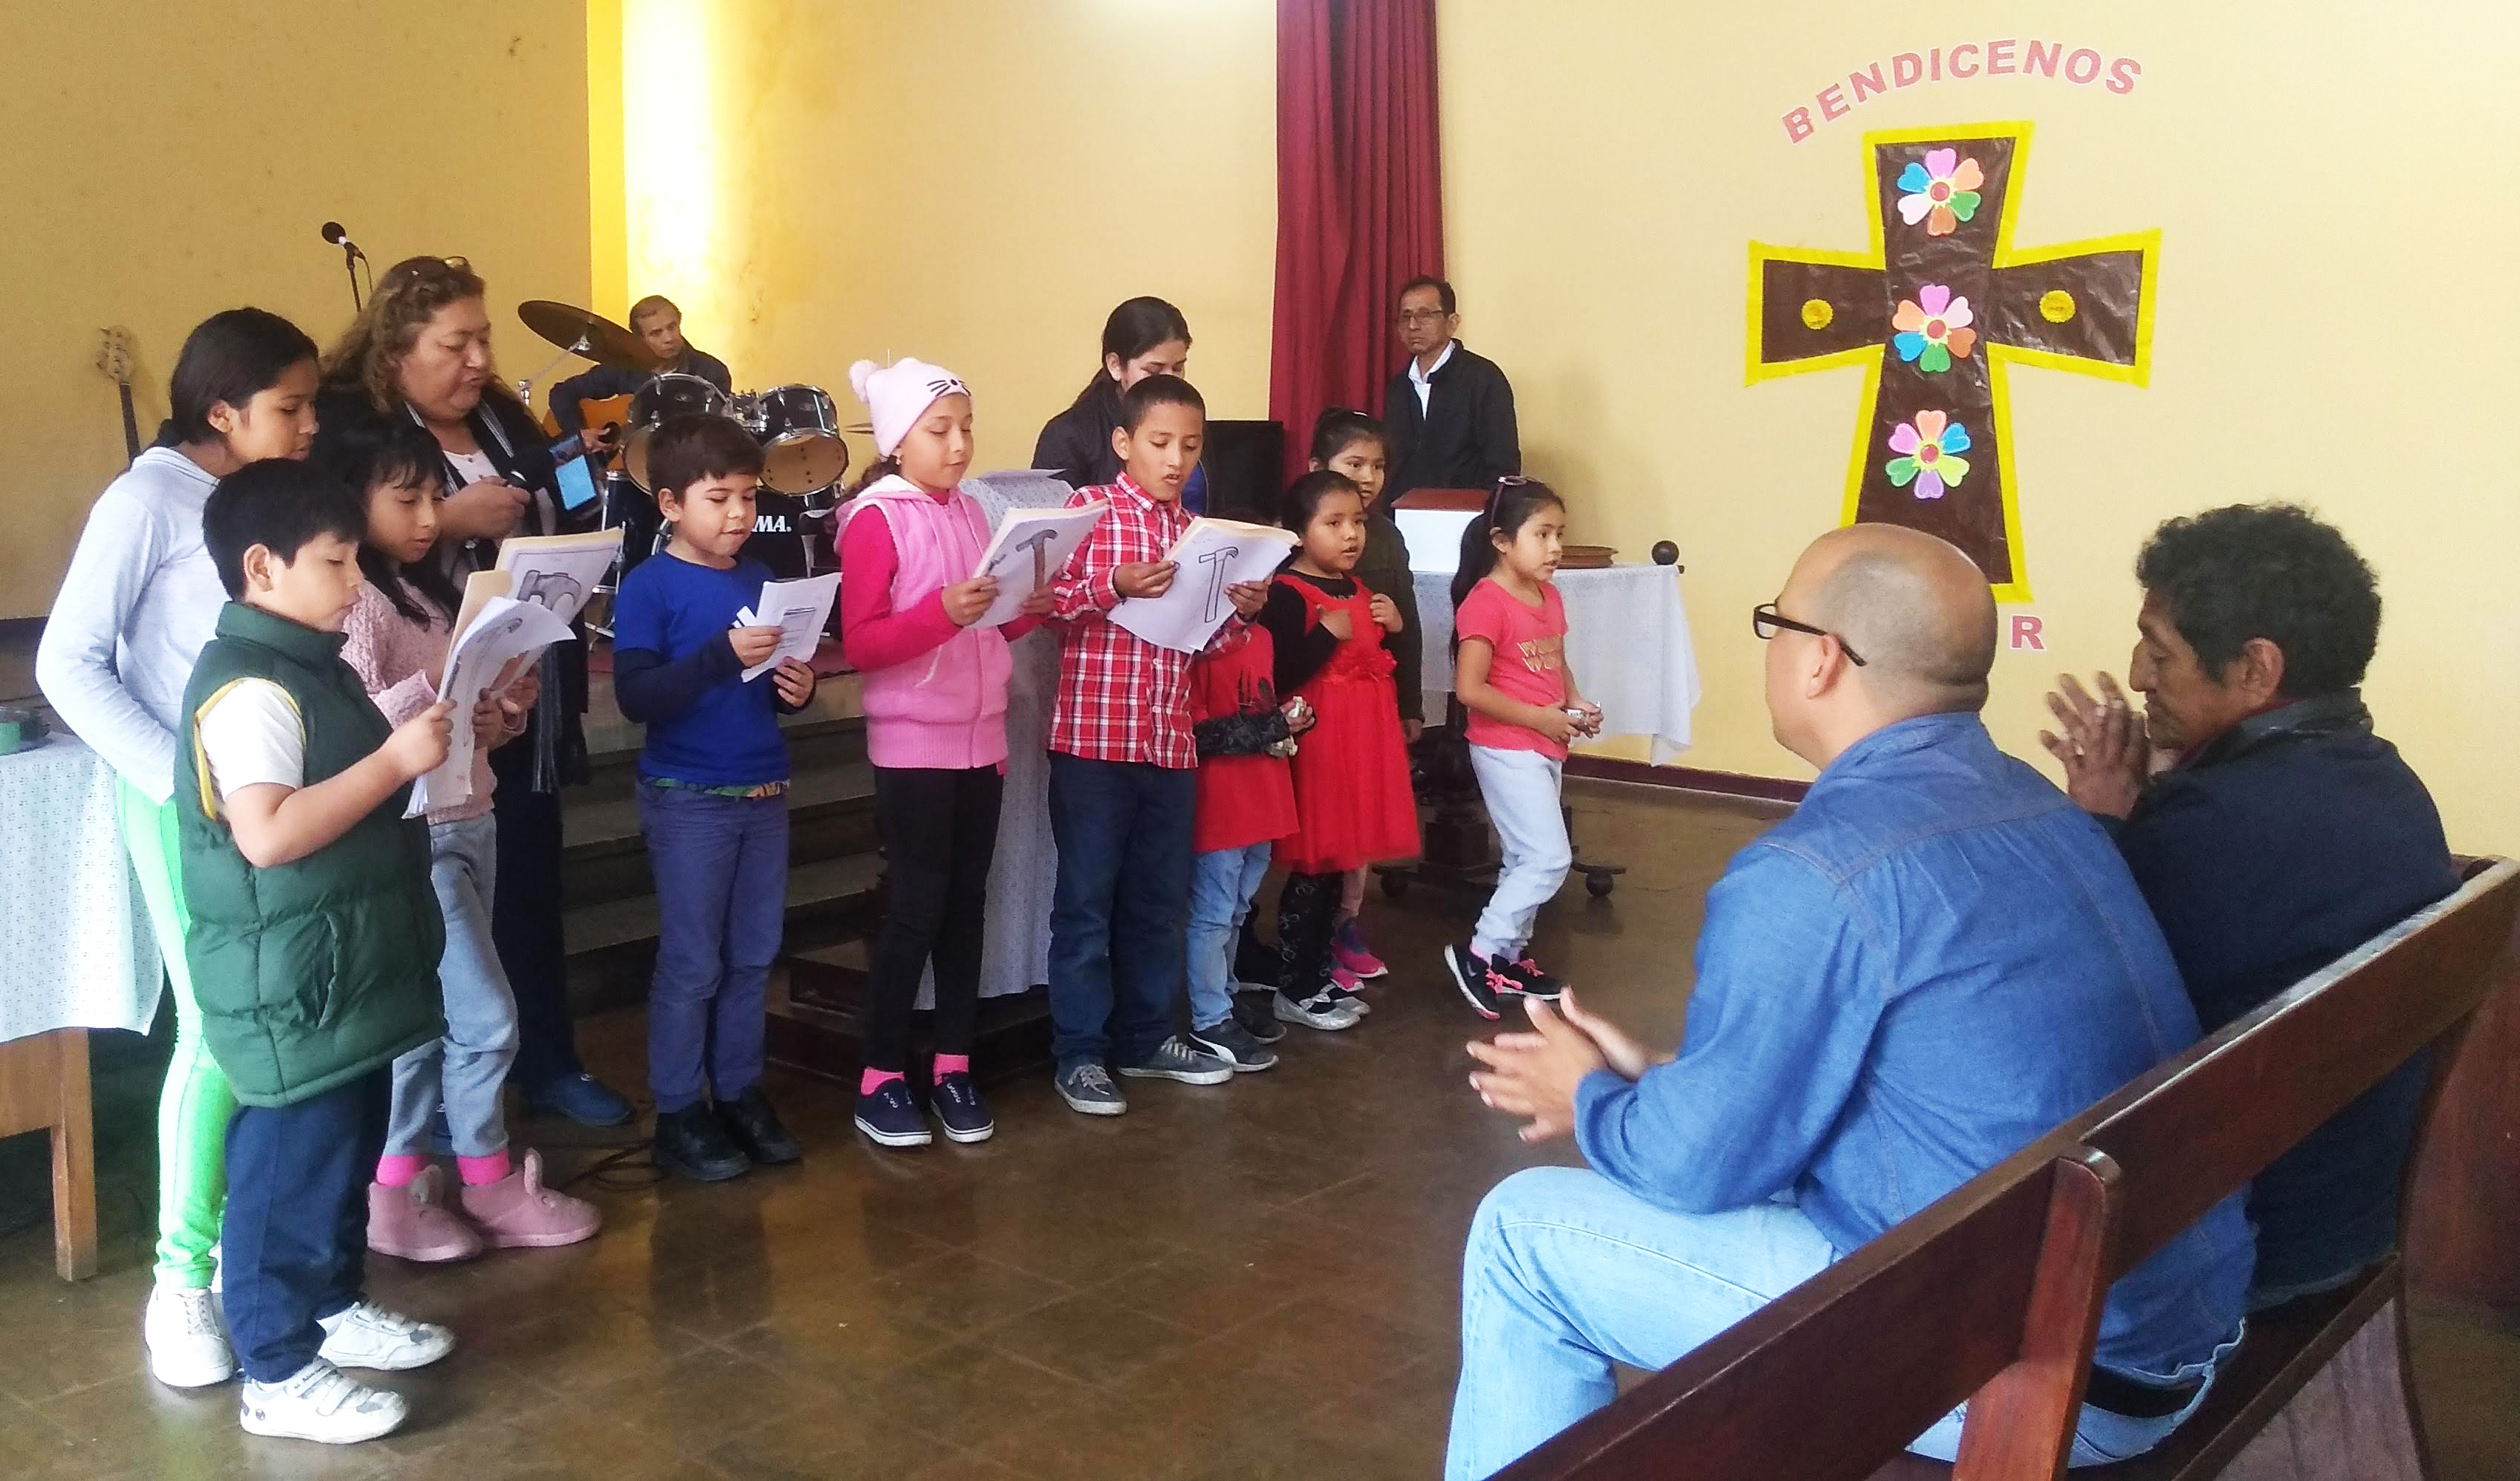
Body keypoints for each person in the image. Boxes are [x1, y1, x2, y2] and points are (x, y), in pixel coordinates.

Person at [1445, 524, 2252, 1479]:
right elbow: (1876, 1088)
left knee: (1521, 1235)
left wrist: (1590, 1101)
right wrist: (1654, 1078)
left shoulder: (1810, 872)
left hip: (2050, 1365)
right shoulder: (2035, 804)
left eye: (1772, 626)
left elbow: (1694, 1171)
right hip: (2163, 1324)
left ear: (1820, 660)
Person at [2037, 503, 2459, 1307]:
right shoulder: (2382, 781)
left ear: (2254, 670)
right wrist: (2159, 791)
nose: (2134, 675)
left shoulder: (2219, 825)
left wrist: (2098, 816)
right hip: (2342, 1220)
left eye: (2159, 653)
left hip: (2238, 1249)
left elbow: (2076, 998)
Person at [36, 307, 321, 1389]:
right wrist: (176, 783)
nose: (305, 429)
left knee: (288, 1023)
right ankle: (181, 1282)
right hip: (183, 804)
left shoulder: (257, 502)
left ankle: (283, 1271)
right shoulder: (147, 497)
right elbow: (70, 662)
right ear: (220, 411)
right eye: (287, 410)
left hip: (273, 795)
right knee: (212, 1031)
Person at [175, 458, 463, 1443]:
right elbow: (268, 833)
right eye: (337, 563)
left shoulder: (308, 662)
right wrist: (393, 760)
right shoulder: (251, 684)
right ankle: (275, 1365)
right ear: (261, 567)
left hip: (340, 964)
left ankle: (332, 1308)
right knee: (287, 1173)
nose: (354, 583)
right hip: (293, 979)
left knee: (340, 1159)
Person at [319, 255, 633, 1129]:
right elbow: (335, 530)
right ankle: (434, 1119)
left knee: (529, 879)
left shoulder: (499, 416)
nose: (477, 361)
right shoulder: (356, 425)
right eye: (454, 344)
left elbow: (551, 499)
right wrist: (451, 520)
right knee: (438, 913)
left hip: (515, 690)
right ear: (393, 356)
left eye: (483, 339)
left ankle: (547, 1060)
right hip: (412, 695)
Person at [330, 420, 602, 1259]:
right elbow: (356, 729)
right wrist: (438, 703)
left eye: (434, 498)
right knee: (482, 1019)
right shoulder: (363, 606)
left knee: (427, 1027)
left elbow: (466, 724)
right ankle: (481, 1183)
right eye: (406, 499)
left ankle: (399, 1193)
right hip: (416, 838)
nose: (427, 518)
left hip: (471, 818)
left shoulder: (422, 594)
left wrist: (496, 714)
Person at [836, 357, 1054, 1150]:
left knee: (968, 910)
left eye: (965, 427)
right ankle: (880, 1075)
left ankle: (954, 1064)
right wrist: (942, 614)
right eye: (940, 430)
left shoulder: (970, 513)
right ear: (898, 441)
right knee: (916, 911)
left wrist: (1022, 610)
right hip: (913, 747)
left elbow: (985, 624)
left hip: (981, 740)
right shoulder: (873, 519)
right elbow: (861, 643)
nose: (959, 444)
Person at [1041, 374, 1270, 1114]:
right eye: (1160, 443)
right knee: (1085, 905)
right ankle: (1079, 1053)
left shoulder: (1194, 533)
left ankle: (1143, 1038)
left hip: (1168, 743)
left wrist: (1236, 613)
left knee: (1154, 901)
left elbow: (1199, 645)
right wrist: (1113, 584)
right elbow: (1049, 605)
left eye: (1190, 446)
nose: (1176, 460)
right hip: (1093, 744)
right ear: (1123, 442)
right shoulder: (1088, 509)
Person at [609, 415, 819, 1180]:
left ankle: (737, 1092)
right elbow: (637, 697)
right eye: (718, 498)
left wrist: (795, 689)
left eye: (747, 496)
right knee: (693, 962)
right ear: (669, 504)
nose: (738, 514)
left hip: (763, 789)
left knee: (752, 956)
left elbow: (771, 686)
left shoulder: (760, 580)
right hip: (688, 794)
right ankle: (677, 1111)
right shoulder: (650, 587)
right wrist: (716, 657)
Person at [1259, 471, 1421, 1029]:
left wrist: (1392, 624)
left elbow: (1377, 657)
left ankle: (1320, 971)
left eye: (1357, 522)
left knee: (1338, 870)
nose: (1351, 534)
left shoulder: (1357, 591)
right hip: (1323, 749)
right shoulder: (1285, 593)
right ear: (1298, 533)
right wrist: (1326, 634)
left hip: (1363, 748)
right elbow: (1280, 673)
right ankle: (1295, 986)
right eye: (1334, 523)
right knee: (1314, 869)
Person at [1443, 479, 1601, 1018]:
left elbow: (1554, 661)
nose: (1555, 546)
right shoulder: (1486, 604)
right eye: (1543, 534)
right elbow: (1471, 690)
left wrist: (1575, 703)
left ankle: (1509, 959)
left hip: (1543, 743)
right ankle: (1480, 952)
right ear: (1502, 541)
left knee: (1523, 858)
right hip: (1506, 748)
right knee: (1548, 857)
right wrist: (1541, 718)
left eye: (1560, 534)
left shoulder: (1547, 595)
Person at [1309, 408, 1421, 982]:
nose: (1370, 476)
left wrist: (1410, 705)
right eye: (1355, 463)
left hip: (1374, 706)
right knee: (1327, 827)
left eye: (1378, 466)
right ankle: (1313, 935)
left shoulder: (1388, 535)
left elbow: (1411, 621)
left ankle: (1347, 922)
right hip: (1327, 709)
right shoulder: (1301, 539)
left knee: (1364, 824)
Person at [1182, 622, 1311, 1072]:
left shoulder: (1265, 635)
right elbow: (1198, 732)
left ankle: (1226, 999)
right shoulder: (1194, 639)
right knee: (1213, 915)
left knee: (1238, 910)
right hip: (1221, 800)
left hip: (1262, 794)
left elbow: (1261, 703)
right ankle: (1208, 1019)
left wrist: (1288, 719)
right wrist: (1273, 724)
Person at [1031, 296, 1191, 492]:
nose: (1170, 382)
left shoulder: (1189, 419)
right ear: (1116, 366)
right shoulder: (1067, 436)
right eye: (1153, 370)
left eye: (1178, 368)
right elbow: (1053, 520)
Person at [1383, 276, 1519, 502]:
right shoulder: (1397, 388)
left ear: (1452, 322)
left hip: (1467, 517)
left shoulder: (1483, 379)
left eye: (1425, 315)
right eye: (1405, 317)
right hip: (1407, 517)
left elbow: (1502, 465)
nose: (1413, 325)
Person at [547, 294, 734, 435]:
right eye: (656, 333)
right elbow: (561, 393)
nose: (669, 338)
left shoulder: (711, 372)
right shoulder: (623, 367)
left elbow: (714, 436)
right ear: (639, 339)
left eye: (672, 327)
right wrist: (578, 436)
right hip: (620, 470)